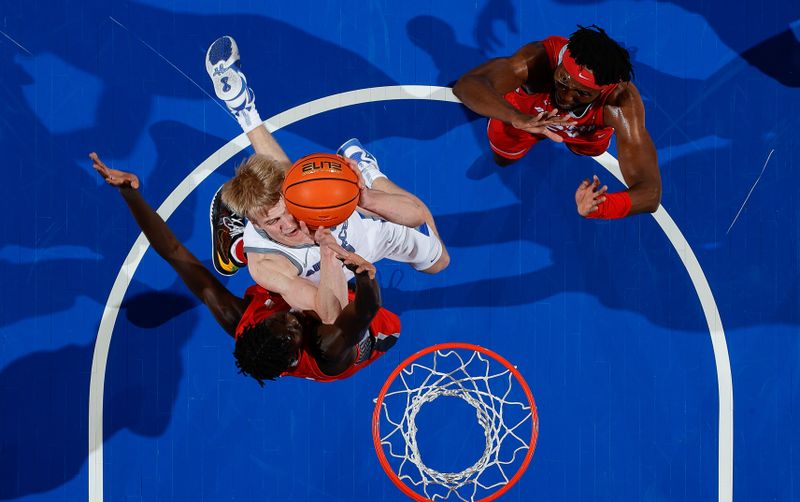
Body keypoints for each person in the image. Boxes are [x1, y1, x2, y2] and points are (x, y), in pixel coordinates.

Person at [90, 152, 400, 385]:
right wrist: (364, 276)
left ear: (256, 326)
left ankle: (242, 246)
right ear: (294, 354)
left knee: (281, 267)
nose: (291, 316)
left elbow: (174, 253)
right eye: (293, 327)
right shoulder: (327, 348)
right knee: (327, 284)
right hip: (374, 330)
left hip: (299, 293)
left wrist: (130, 194)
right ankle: (254, 238)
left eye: (279, 319)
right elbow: (364, 312)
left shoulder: (242, 321)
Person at [205, 36, 449, 324]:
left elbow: (415, 214)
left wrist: (364, 196)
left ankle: (367, 171)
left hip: (369, 235)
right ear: (254, 223)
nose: (288, 224)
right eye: (272, 222)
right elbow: (332, 315)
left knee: (439, 262)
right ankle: (234, 241)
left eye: (286, 212)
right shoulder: (267, 264)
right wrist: (327, 249)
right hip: (328, 269)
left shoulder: (307, 193)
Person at [453, 24, 662, 220]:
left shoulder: (620, 104)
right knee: (503, 158)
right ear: (560, 64)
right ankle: (515, 143)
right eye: (563, 81)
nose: (567, 97)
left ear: (602, 90)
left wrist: (602, 205)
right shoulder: (537, 61)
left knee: (589, 150)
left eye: (581, 93)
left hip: (585, 131)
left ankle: (572, 144)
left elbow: (650, 192)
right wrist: (516, 117)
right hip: (528, 115)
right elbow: (467, 85)